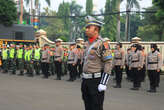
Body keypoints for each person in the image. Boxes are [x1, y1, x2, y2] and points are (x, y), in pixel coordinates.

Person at [81, 16, 112, 110]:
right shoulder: (86, 44)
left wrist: (103, 83)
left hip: (96, 81)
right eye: (86, 27)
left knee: (96, 107)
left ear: (96, 29)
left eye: (88, 27)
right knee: (87, 106)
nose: (86, 29)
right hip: (86, 80)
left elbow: (108, 62)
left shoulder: (102, 44)